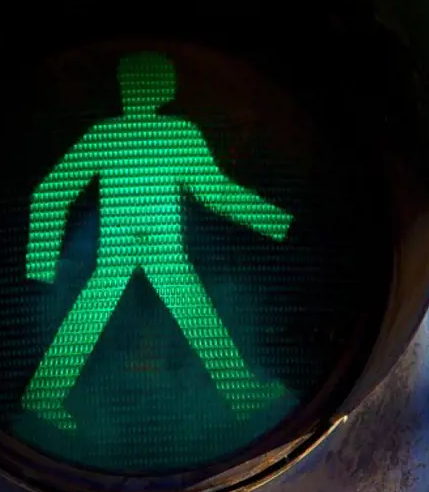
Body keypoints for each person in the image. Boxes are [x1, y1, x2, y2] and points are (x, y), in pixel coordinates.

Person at [22, 51, 294, 430]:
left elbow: (50, 193)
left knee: (181, 315)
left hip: (143, 249)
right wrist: (277, 222)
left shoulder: (110, 135)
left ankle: (44, 395)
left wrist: (41, 262)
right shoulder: (173, 133)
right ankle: (44, 395)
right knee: (179, 316)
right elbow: (217, 192)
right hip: (149, 249)